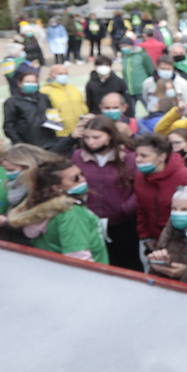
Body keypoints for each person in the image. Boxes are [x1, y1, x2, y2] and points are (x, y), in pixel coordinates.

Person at [7, 158, 108, 264]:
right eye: (76, 178)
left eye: (81, 174)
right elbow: (78, 259)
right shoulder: (72, 214)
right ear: (57, 188)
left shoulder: (44, 208)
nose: (83, 179)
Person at [71, 115, 139, 269]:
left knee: (128, 263)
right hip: (90, 221)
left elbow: (139, 188)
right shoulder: (78, 156)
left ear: (110, 137)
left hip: (122, 223)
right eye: (86, 137)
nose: (91, 142)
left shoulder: (129, 158)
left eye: (96, 137)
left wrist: (125, 209)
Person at [130, 132, 187, 256]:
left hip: (186, 243)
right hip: (155, 243)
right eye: (137, 155)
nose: (138, 159)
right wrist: (145, 236)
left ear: (162, 157)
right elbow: (141, 209)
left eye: (144, 156)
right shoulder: (140, 178)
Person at [3, 65, 70, 153]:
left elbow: (51, 115)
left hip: (50, 141)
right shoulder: (12, 102)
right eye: (28, 82)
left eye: (34, 82)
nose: (31, 84)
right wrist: (19, 143)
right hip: (29, 144)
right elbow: (9, 126)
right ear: (20, 84)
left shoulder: (44, 97)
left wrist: (56, 124)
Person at [41, 63, 89, 139]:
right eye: (60, 73)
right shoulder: (45, 91)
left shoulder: (73, 88)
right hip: (61, 135)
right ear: (51, 74)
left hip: (79, 132)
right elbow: (45, 114)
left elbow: (83, 107)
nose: (63, 76)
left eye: (66, 73)